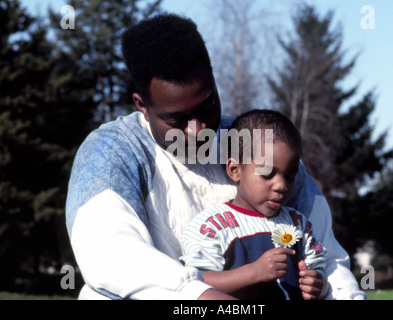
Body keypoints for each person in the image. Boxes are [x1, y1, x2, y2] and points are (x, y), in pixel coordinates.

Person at [65, 13, 366, 300]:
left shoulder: (260, 144)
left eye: (207, 105)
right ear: (142, 105)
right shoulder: (112, 151)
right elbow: (112, 256)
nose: (198, 131)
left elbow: (327, 258)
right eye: (176, 120)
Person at [180, 109, 328, 300]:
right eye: (267, 174)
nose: (281, 186)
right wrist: (253, 273)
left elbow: (320, 269)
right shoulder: (212, 226)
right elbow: (196, 283)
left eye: (290, 177)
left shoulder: (299, 224)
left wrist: (318, 284)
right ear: (235, 170)